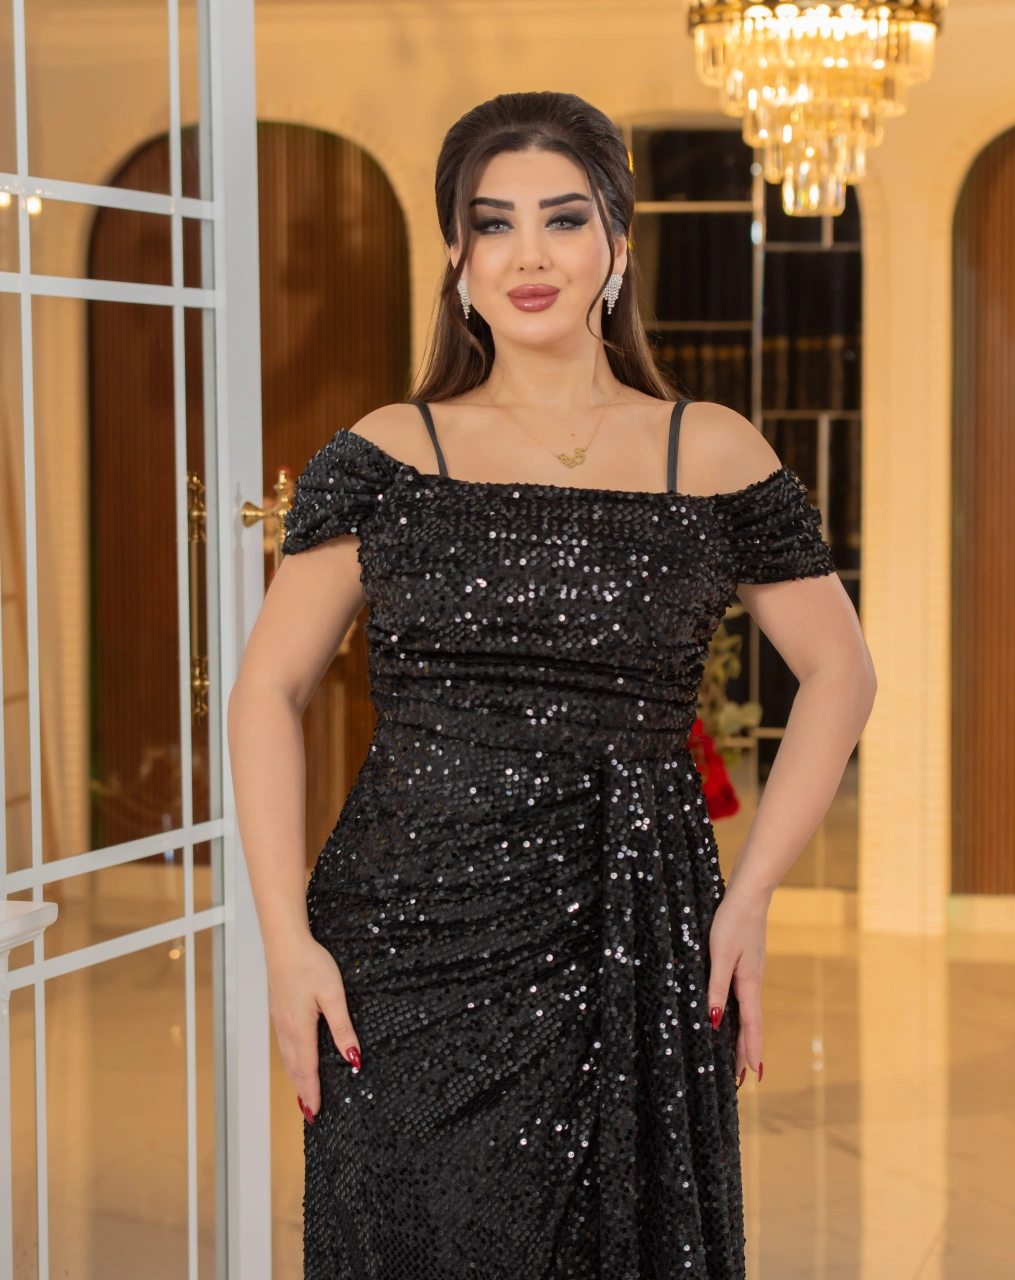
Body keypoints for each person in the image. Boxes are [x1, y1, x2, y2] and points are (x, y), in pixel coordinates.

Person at [227, 91, 875, 1279]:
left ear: (615, 244)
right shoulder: (388, 452)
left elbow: (841, 669)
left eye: (563, 219)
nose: (529, 254)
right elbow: (266, 687)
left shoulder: (708, 448)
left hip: (633, 925)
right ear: (457, 256)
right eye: (495, 223)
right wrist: (284, 939)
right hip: (406, 940)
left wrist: (750, 897)